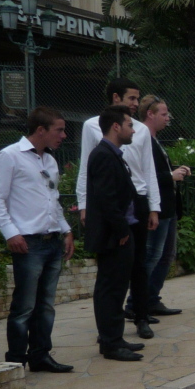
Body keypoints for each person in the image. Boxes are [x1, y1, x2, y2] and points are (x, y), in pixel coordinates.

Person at [0, 106, 75, 373]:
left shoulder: (50, 161)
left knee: (46, 305)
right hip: (29, 242)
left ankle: (40, 355)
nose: (64, 135)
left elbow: (52, 200)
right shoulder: (10, 156)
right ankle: (15, 360)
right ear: (40, 130)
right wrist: (11, 233)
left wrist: (66, 230)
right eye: (59, 130)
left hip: (51, 240)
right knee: (24, 305)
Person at [75, 78, 160, 340]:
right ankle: (111, 330)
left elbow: (148, 169)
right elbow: (86, 168)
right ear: (115, 98)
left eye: (137, 98)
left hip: (138, 199)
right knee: (113, 269)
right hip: (113, 203)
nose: (137, 104)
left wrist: (154, 207)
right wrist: (84, 204)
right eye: (132, 98)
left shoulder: (140, 130)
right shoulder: (92, 127)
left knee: (139, 265)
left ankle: (141, 316)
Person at [85, 106, 146, 362]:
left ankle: (116, 337)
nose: (133, 130)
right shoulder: (103, 155)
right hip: (114, 235)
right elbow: (106, 198)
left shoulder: (113, 154)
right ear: (116, 126)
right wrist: (121, 230)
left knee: (118, 286)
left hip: (122, 232)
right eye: (130, 125)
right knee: (110, 288)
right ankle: (110, 343)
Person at [136, 95, 190, 316]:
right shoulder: (143, 140)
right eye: (164, 114)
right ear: (150, 114)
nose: (168, 118)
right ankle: (137, 302)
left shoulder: (154, 140)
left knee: (166, 255)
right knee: (153, 256)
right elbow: (142, 175)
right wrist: (170, 175)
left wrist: (176, 170)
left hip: (167, 207)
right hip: (157, 207)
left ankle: (151, 298)